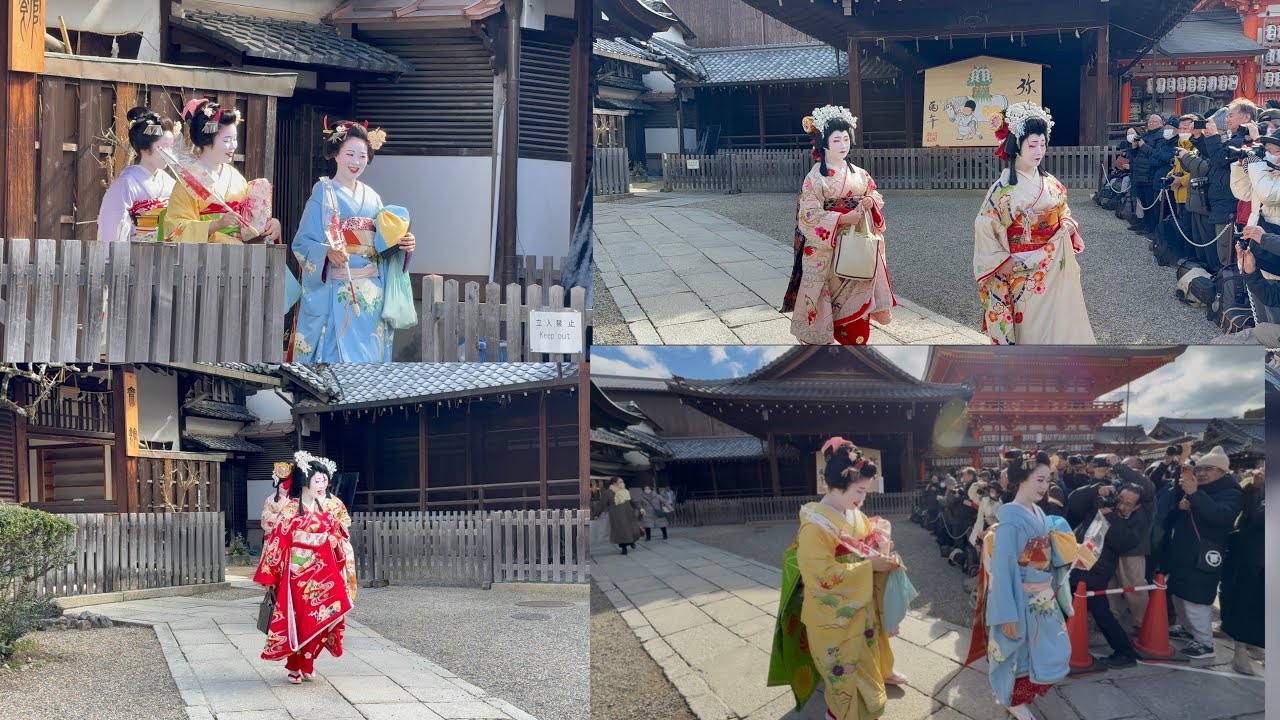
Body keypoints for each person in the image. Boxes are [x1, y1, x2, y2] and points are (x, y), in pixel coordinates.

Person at [768, 440, 907, 720]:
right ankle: (838, 713)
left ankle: (872, 691)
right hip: (834, 612)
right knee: (842, 669)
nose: (862, 499)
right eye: (859, 491)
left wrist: (880, 542)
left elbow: (867, 534)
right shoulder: (815, 525)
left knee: (868, 650)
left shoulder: (852, 512)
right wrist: (869, 565)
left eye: (865, 492)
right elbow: (821, 575)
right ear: (837, 486)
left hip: (860, 601)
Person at [965, 451, 1079, 720]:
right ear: (1021, 481)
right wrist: (1006, 615)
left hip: (1042, 596)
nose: (1044, 486)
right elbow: (1003, 573)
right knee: (1020, 655)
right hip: (1020, 599)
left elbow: (1045, 556)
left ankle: (1024, 694)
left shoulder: (1038, 512)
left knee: (1047, 649)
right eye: (1039, 480)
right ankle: (1014, 700)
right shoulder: (1011, 522)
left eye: (1048, 480)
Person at [290, 120, 417, 363]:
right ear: (336, 155)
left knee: (371, 360)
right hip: (336, 288)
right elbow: (302, 243)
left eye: (362, 155)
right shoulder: (323, 192)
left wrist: (403, 245)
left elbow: (384, 246)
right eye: (349, 154)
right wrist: (326, 253)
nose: (356, 162)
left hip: (371, 292)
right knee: (334, 360)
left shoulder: (373, 197)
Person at [974, 103, 1094, 344]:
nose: (1039, 151)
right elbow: (985, 226)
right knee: (1029, 328)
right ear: (1016, 146)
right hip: (1019, 268)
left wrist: (1067, 223)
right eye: (1032, 145)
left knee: (1058, 324)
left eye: (1043, 144)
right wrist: (1001, 261)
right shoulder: (1002, 190)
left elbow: (1063, 209)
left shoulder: (1050, 183)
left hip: (1051, 265)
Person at [782, 105, 895, 345]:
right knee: (825, 291)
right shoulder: (815, 177)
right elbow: (809, 214)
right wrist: (843, 218)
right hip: (827, 248)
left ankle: (854, 342)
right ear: (824, 142)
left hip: (856, 245)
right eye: (836, 140)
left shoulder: (860, 173)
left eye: (846, 139)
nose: (843, 145)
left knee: (858, 283)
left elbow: (876, 196)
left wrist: (869, 201)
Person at [254, 452, 353, 684]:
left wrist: (334, 540)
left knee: (321, 618)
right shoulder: (290, 510)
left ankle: (307, 663)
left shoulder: (328, 508)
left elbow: (339, 533)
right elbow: (278, 541)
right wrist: (271, 574)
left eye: (324, 480)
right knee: (298, 621)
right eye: (317, 480)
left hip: (322, 572)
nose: (322, 485)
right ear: (305, 481)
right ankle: (296, 665)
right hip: (296, 574)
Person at [1162, 446, 1242, 660]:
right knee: (1179, 594)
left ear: (1222, 472)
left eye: (1209, 469)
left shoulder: (1231, 493)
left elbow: (1221, 516)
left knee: (1196, 598)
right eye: (1200, 469)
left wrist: (1195, 494)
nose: (1202, 473)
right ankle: (1189, 630)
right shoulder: (1199, 489)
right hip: (1183, 552)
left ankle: (1205, 643)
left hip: (1205, 553)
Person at [166, 98, 281, 244]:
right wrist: (216, 225)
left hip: (239, 252)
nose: (233, 146)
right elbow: (175, 227)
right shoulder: (187, 181)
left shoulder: (236, 178)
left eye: (235, 139)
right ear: (207, 141)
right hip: (205, 255)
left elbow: (249, 223)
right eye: (227, 140)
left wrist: (269, 224)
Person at [1068, 483, 1146, 668]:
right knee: (1098, 613)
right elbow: (1074, 500)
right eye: (1120, 500)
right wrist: (1096, 489)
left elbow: (1126, 542)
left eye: (1128, 504)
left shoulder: (1131, 520)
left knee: (1100, 614)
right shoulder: (1098, 506)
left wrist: (1109, 518)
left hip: (1094, 574)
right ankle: (1124, 651)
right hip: (1077, 567)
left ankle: (1125, 652)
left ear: (1136, 507)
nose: (1122, 506)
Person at [97, 107, 177, 245]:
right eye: (164, 147)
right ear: (145, 148)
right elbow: (113, 229)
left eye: (171, 147)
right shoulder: (125, 184)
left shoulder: (170, 183)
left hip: (166, 254)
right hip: (134, 256)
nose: (169, 153)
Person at [1218, 468, 1264, 675]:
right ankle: (1240, 650)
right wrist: (1254, 487)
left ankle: (1255, 645)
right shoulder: (1253, 489)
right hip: (1251, 560)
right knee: (1246, 604)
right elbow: (1254, 518)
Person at [601, 477, 643, 555]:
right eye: (620, 482)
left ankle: (631, 542)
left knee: (632, 530)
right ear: (614, 483)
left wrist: (640, 508)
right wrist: (596, 514)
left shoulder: (626, 491)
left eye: (622, 482)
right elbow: (602, 504)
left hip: (629, 514)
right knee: (621, 532)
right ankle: (624, 548)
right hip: (617, 517)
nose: (622, 483)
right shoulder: (608, 493)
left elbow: (634, 501)